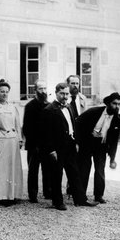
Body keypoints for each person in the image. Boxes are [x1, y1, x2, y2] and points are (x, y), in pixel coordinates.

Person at [41, 82, 99, 211]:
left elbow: (73, 125)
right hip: (57, 148)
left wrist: (76, 142)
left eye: (66, 93)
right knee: (57, 175)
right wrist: (51, 150)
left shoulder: (70, 107)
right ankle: (58, 202)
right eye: (62, 93)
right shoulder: (49, 110)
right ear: (56, 93)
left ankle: (81, 200)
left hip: (70, 146)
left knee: (74, 173)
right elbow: (47, 133)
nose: (65, 96)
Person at [76, 92, 120, 204]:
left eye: (119, 104)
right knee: (84, 169)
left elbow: (114, 142)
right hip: (87, 144)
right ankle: (80, 195)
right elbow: (78, 122)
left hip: (101, 147)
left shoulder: (117, 120)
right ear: (108, 103)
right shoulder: (94, 112)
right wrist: (79, 141)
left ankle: (99, 195)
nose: (116, 106)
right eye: (114, 103)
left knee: (100, 171)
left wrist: (112, 158)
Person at [23, 79, 51, 203]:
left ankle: (47, 192)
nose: (43, 91)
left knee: (47, 169)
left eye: (45, 88)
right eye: (41, 89)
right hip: (34, 144)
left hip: (46, 144)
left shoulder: (49, 105)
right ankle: (33, 195)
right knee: (33, 170)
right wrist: (35, 143)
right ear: (35, 90)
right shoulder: (30, 106)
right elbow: (27, 127)